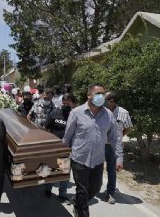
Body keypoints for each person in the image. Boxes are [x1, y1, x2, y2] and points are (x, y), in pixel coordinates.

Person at [63, 83, 122, 217]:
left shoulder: (108, 115)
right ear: (89, 95)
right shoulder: (76, 113)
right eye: (98, 93)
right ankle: (81, 210)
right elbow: (67, 137)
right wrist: (63, 156)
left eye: (103, 93)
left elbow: (115, 138)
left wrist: (119, 157)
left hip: (97, 160)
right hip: (79, 159)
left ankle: (78, 203)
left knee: (95, 188)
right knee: (82, 191)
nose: (101, 96)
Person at [43, 93, 74, 201]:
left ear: (72, 103)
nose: (66, 104)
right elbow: (45, 127)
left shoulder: (74, 115)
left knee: (64, 171)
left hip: (67, 149)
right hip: (54, 148)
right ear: (62, 102)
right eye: (64, 102)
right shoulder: (55, 113)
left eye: (68, 102)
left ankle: (62, 194)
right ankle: (48, 189)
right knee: (51, 170)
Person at [104, 91, 133, 204]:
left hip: (113, 147)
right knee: (93, 168)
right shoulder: (101, 111)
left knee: (112, 171)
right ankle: (90, 190)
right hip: (99, 145)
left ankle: (110, 193)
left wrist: (119, 136)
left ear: (111, 101)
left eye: (105, 99)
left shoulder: (123, 113)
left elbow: (127, 127)